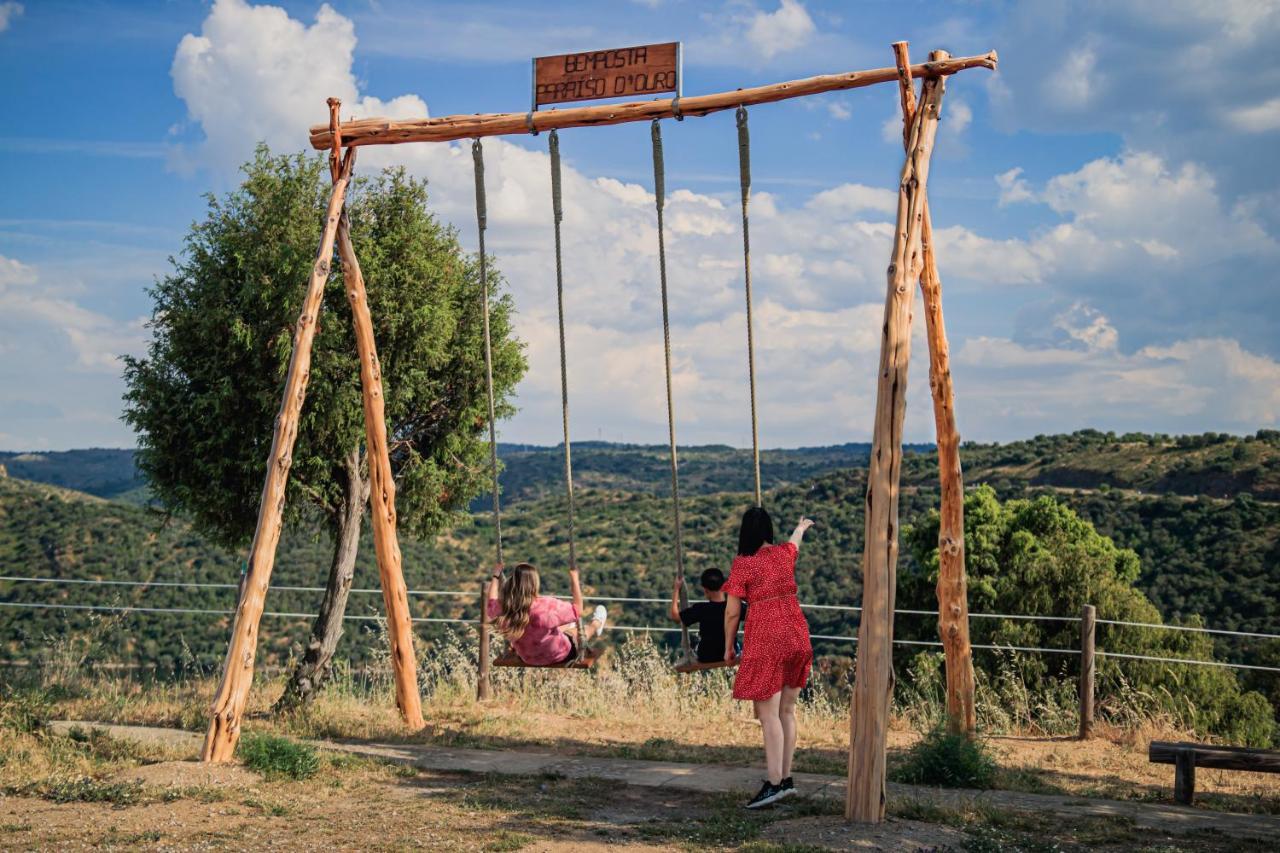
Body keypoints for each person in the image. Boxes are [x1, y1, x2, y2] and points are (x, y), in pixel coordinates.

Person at [722, 508, 815, 808]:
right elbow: (794, 542)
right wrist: (801, 527)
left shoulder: (743, 565)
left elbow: (733, 611)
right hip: (797, 634)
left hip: (767, 637)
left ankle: (773, 784)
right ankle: (785, 780)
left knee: (768, 715)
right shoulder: (783, 555)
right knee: (786, 711)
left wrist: (728, 647)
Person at [486, 562, 607, 666]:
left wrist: (496, 575)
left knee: (553, 627)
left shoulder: (506, 606)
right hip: (560, 654)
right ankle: (596, 624)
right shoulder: (547, 606)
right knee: (580, 631)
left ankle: (569, 625)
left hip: (528, 658)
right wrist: (574, 579)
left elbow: (490, 604)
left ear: (513, 582)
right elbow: (578, 610)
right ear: (534, 583)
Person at [668, 568, 740, 664]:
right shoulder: (735, 607)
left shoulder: (701, 609)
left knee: (696, 643)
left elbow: (675, 617)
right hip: (731, 654)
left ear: (705, 590)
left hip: (706, 656)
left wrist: (676, 589)